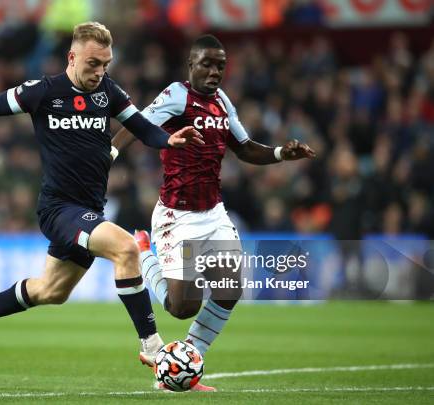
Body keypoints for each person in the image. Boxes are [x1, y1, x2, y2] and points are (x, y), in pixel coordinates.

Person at [0, 22, 204, 368]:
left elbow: (141, 128)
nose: (100, 72)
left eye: (106, 64)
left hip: (89, 208)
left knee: (52, 291)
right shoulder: (44, 92)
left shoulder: (108, 92)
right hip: (58, 209)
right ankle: (152, 346)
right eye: (93, 63)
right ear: (72, 57)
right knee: (126, 249)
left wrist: (169, 140)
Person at [112, 34, 316, 391]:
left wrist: (283, 153)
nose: (214, 71)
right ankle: (144, 253)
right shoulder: (177, 95)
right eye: (206, 63)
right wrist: (108, 156)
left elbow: (246, 148)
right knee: (181, 307)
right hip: (178, 215)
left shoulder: (222, 101)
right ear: (191, 65)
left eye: (220, 65)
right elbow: (138, 124)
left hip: (214, 212)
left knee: (229, 288)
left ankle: (185, 363)